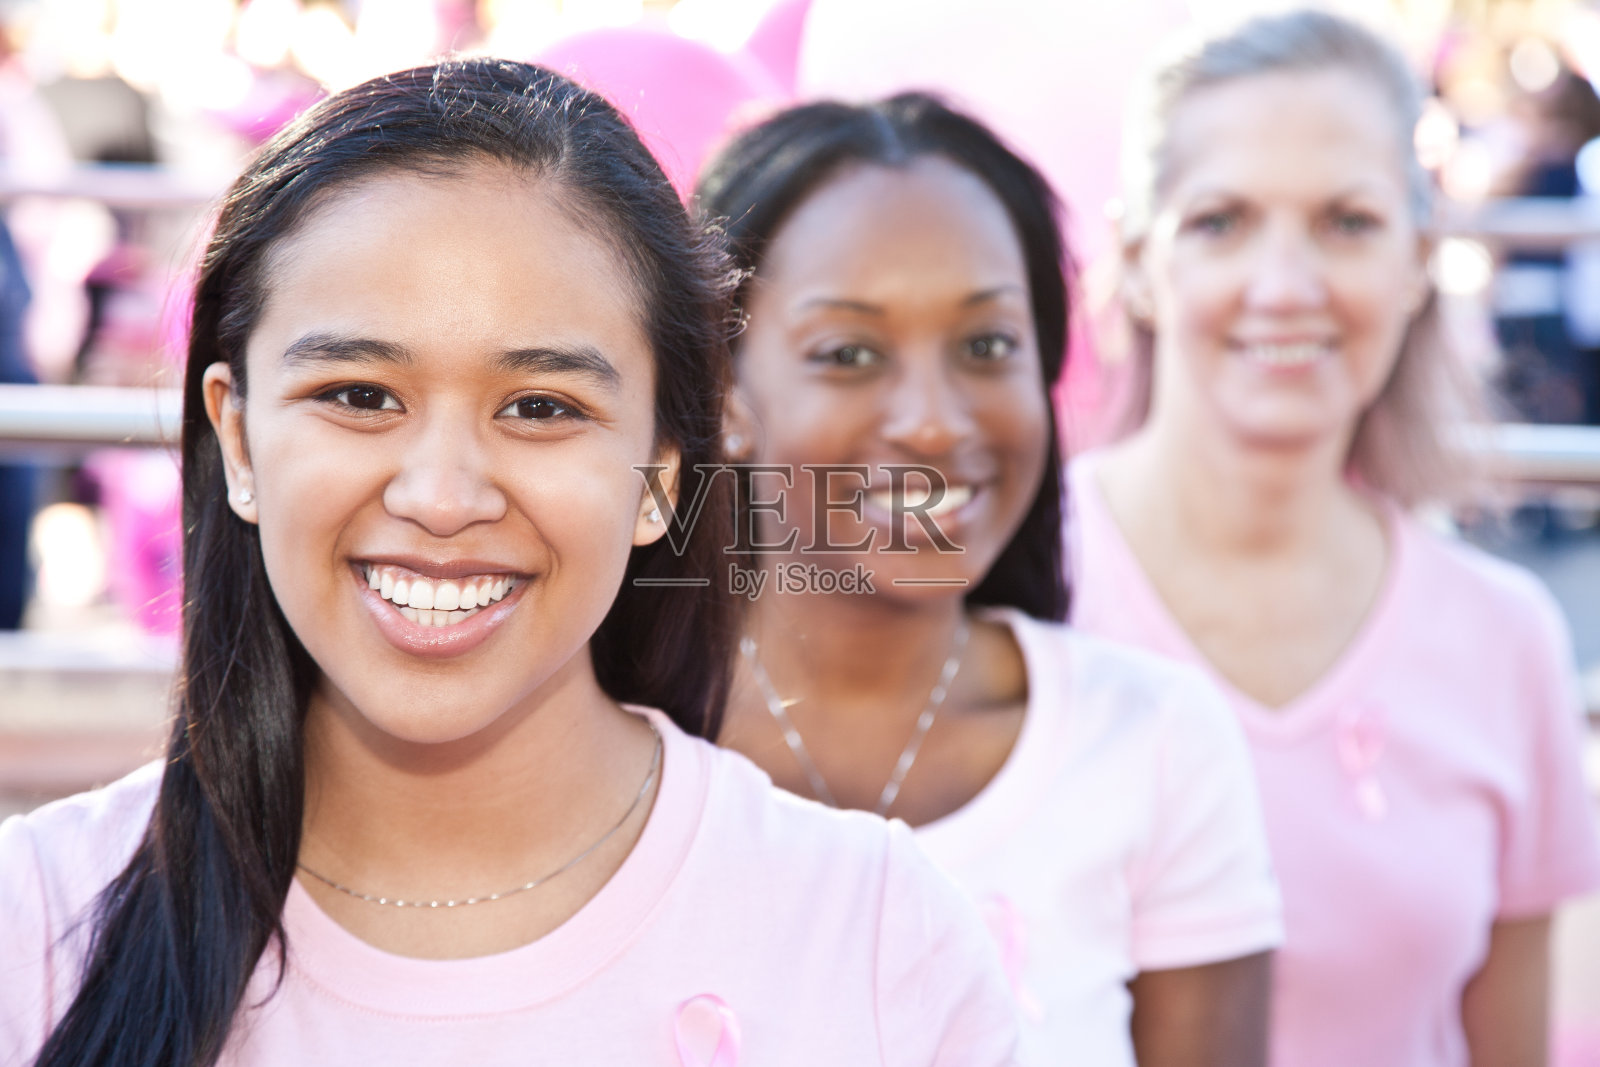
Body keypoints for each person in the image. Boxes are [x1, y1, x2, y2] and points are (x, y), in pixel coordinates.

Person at [0, 59, 1021, 1066]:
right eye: (359, 395)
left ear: (661, 476)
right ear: (238, 438)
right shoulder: (37, 920)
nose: (442, 496)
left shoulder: (877, 941)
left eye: (540, 407)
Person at [696, 93, 1282, 1066]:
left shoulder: (1154, 742)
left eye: (986, 345)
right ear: (723, 397)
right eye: (848, 353)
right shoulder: (601, 734)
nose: (933, 420)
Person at [1070, 11, 1600, 1066]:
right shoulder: (1010, 588)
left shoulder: (1505, 639)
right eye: (1221, 220)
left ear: (1418, 262)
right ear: (1137, 259)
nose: (1283, 285)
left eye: (1346, 222)